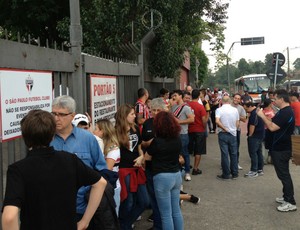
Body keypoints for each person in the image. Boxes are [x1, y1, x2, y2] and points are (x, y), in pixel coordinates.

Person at [1, 110, 107, 230]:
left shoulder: (18, 170)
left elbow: (9, 217)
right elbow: (100, 183)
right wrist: (84, 221)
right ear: (52, 135)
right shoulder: (70, 160)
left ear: (25, 137)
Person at [50, 95, 107, 221]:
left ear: (72, 116)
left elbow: (101, 170)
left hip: (83, 209)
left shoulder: (87, 138)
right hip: (53, 209)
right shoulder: (46, 138)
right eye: (53, 113)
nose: (56, 118)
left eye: (61, 114)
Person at [257, 89, 297, 212]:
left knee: (284, 175)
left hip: (281, 149)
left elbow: (272, 127)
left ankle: (290, 201)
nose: (274, 101)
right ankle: (286, 197)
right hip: (278, 147)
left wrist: (262, 115)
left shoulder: (286, 112)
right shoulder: (283, 111)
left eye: (275, 99)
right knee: (283, 174)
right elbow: (273, 122)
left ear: (281, 99)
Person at [146, 111, 184, 230]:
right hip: (176, 175)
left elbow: (147, 157)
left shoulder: (157, 141)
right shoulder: (177, 139)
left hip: (162, 177)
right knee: (176, 211)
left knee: (165, 215)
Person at [115, 104, 149, 230]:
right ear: (124, 116)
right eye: (132, 114)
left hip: (137, 169)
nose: (135, 116)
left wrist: (142, 159)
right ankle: (124, 225)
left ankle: (125, 224)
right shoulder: (116, 131)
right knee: (128, 201)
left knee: (144, 201)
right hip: (124, 170)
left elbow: (139, 147)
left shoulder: (135, 128)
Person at [94, 119, 121, 216]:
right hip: (104, 187)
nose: (93, 131)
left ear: (102, 131)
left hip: (112, 187)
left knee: (111, 218)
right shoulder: (102, 145)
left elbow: (106, 170)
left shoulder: (113, 149)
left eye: (96, 128)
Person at [171, 89, 195, 181]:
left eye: (175, 95)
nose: (173, 97)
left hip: (183, 134)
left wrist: (179, 122)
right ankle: (180, 172)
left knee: (184, 153)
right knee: (177, 154)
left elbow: (192, 119)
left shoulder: (186, 107)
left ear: (180, 96)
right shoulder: (173, 106)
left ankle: (187, 172)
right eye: (173, 96)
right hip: (174, 134)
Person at [215, 95, 239, 180]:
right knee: (234, 154)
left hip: (223, 133)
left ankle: (226, 174)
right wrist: (234, 129)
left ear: (221, 101)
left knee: (224, 154)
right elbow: (237, 121)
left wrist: (224, 128)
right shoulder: (235, 110)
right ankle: (235, 173)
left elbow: (217, 121)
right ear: (230, 101)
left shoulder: (219, 110)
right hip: (233, 134)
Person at [243, 101, 265, 178]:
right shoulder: (258, 111)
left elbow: (252, 126)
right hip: (260, 135)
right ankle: (260, 169)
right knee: (259, 152)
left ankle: (253, 170)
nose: (245, 110)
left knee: (253, 153)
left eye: (245, 108)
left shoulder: (253, 114)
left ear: (249, 106)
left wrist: (250, 136)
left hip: (255, 136)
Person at [188, 89, 207, 175]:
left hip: (189, 130)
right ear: (199, 96)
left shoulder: (187, 105)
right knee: (198, 151)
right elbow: (204, 120)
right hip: (199, 130)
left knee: (188, 150)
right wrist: (204, 127)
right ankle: (195, 168)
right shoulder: (200, 106)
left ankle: (187, 166)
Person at [231, 93, 247, 170]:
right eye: (235, 98)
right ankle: (226, 163)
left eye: (238, 99)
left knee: (236, 148)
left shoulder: (241, 108)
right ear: (232, 98)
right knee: (227, 148)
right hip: (227, 130)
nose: (236, 100)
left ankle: (236, 163)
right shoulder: (227, 106)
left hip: (236, 130)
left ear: (240, 100)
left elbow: (244, 119)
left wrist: (236, 115)